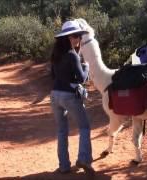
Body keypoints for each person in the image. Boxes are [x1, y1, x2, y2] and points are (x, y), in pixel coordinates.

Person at [50, 20, 94, 175]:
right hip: (69, 96)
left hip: (55, 95)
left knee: (62, 131)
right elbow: (82, 78)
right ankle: (84, 159)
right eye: (76, 36)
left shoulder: (56, 55)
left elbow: (53, 76)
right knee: (84, 127)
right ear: (67, 38)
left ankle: (64, 166)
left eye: (80, 36)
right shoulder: (72, 55)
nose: (79, 39)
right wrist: (86, 66)